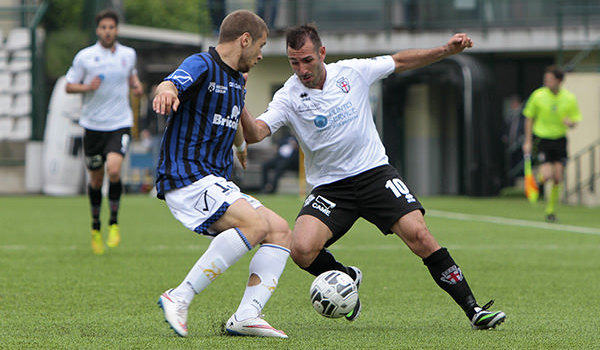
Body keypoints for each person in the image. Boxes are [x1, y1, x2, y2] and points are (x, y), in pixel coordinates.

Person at [241, 24, 506, 330]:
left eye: (307, 60)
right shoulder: (288, 95)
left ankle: (474, 310)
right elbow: (256, 133)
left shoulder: (352, 72)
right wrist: (240, 97)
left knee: (419, 236)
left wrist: (446, 51)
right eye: (294, 62)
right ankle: (348, 277)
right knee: (300, 250)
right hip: (330, 188)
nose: (302, 69)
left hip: (373, 174)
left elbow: (401, 61)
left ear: (322, 53)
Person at [152, 10, 291, 338]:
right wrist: (166, 90)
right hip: (186, 176)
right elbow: (172, 82)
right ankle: (179, 296)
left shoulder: (237, 80)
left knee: (280, 231)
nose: (260, 55)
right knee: (254, 224)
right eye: (260, 46)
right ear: (244, 40)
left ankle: (246, 315)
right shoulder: (202, 64)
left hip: (214, 180)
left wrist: (241, 148)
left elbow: (234, 121)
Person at [65, 9, 144, 255]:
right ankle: (96, 226)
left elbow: (131, 78)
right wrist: (87, 87)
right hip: (92, 126)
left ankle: (113, 223)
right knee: (96, 179)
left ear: (116, 30)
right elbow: (69, 86)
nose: (108, 31)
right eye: (103, 27)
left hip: (119, 123)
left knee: (114, 169)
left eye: (111, 27)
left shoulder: (128, 55)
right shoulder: (85, 57)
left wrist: (137, 86)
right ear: (98, 30)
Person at [522, 65, 581, 222]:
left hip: (560, 140)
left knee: (558, 177)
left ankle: (550, 210)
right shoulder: (538, 96)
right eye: (545, 79)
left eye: (550, 79)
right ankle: (537, 182)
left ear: (559, 80)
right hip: (542, 139)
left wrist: (570, 123)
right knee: (547, 175)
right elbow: (529, 118)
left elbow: (575, 120)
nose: (547, 82)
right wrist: (527, 141)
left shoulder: (569, 98)